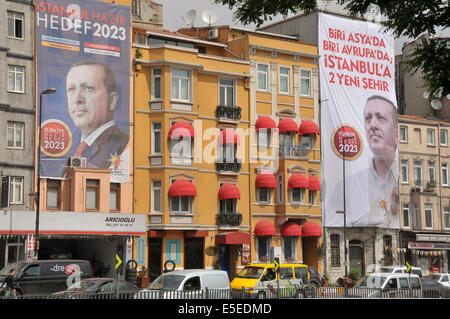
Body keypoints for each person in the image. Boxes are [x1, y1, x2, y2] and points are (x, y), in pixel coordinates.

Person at [327, 95, 399, 228]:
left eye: (380, 117)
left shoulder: (401, 180)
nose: (373, 125)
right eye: (368, 119)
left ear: (396, 134)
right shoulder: (344, 185)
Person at [66, 61, 129, 169]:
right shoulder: (71, 147)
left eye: (88, 88)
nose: (77, 99)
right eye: (71, 89)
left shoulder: (122, 146)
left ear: (112, 100)